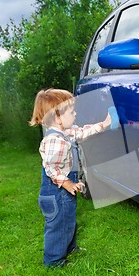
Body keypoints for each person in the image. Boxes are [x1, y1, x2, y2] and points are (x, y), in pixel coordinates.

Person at [29, 88, 111, 267]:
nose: (75, 114)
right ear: (58, 117)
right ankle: (54, 260)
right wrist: (66, 183)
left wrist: (104, 124)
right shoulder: (54, 140)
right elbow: (50, 167)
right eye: (71, 112)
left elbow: (82, 132)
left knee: (68, 219)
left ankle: (69, 247)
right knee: (58, 225)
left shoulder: (66, 132)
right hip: (56, 192)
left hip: (64, 191)